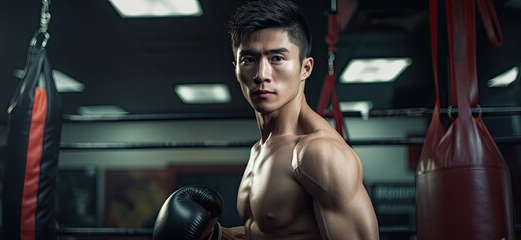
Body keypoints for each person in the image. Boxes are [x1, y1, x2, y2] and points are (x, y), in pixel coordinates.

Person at [152, 0, 379, 239]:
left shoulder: (319, 154)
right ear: (236, 68)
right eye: (249, 60)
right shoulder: (261, 148)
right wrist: (217, 235)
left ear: (305, 68)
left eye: (277, 58)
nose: (262, 75)